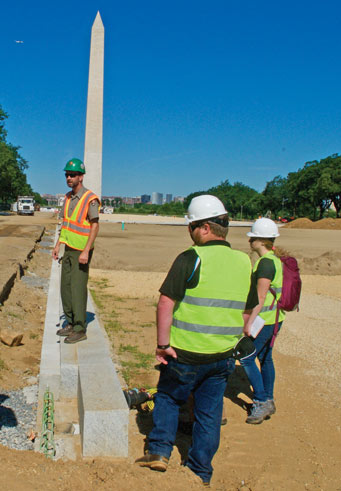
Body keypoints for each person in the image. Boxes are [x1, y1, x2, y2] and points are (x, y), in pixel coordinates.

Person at [136, 195, 256, 485]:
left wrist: (163, 344)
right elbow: (248, 310)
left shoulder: (192, 257)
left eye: (190, 226)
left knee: (167, 397)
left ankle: (160, 451)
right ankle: (201, 470)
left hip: (185, 354)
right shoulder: (243, 261)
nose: (189, 233)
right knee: (209, 413)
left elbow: (166, 302)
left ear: (203, 228)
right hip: (222, 357)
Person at [241, 217, 284, 424]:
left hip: (264, 320)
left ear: (260, 240)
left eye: (252, 238)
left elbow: (260, 296)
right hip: (276, 318)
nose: (250, 242)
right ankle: (268, 397)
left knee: (247, 357)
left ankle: (261, 400)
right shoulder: (276, 260)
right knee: (266, 358)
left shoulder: (266, 263)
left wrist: (248, 323)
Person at [52, 158, 99, 344]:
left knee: (78, 288)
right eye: (67, 175)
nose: (69, 178)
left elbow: (95, 226)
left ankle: (80, 328)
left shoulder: (90, 199)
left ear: (81, 176)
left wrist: (86, 250)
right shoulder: (68, 197)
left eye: (72, 175)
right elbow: (66, 224)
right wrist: (58, 245)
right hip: (69, 248)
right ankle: (70, 322)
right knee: (66, 287)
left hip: (81, 251)